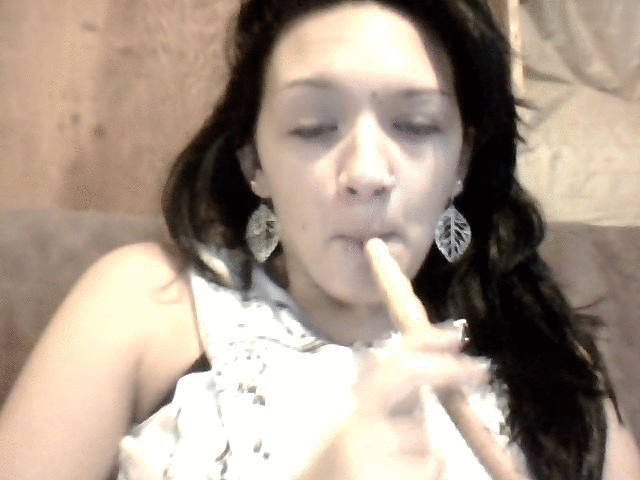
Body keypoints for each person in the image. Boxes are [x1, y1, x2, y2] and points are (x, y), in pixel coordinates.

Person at [1, 0, 639, 478]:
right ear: (255, 163)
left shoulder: (545, 352)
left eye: (416, 124)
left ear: (461, 164)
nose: (366, 173)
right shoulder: (148, 300)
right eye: (313, 126)